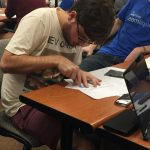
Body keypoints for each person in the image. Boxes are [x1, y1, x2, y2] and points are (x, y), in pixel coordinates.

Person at [0, 0, 114, 149]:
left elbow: (67, 69)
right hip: (22, 105)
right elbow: (6, 63)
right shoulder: (40, 20)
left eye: (89, 42)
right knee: (83, 146)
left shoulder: (79, 32)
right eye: (81, 38)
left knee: (107, 134)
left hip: (55, 99)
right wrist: (56, 60)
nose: (81, 45)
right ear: (72, 16)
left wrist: (78, 72)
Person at [80, 0, 150, 72]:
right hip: (109, 53)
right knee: (79, 74)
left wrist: (141, 49)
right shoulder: (136, 1)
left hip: (135, 61)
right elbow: (118, 23)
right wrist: (93, 45)